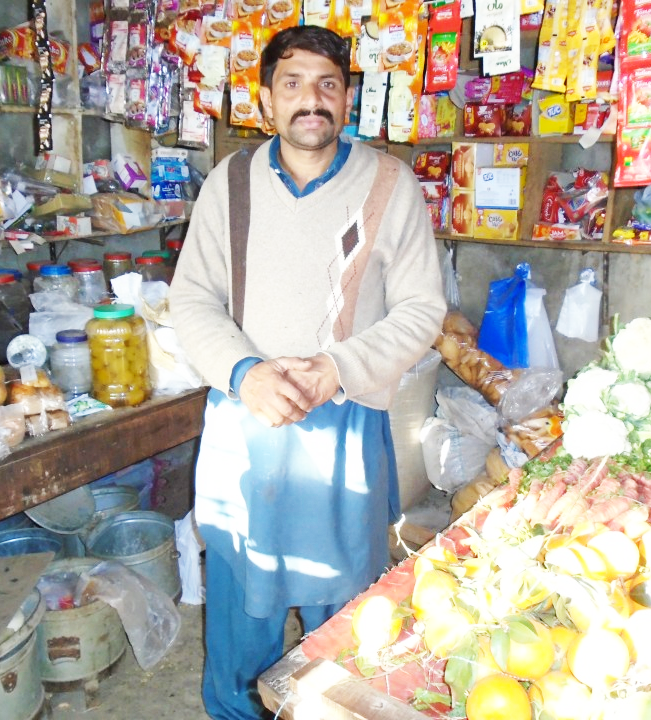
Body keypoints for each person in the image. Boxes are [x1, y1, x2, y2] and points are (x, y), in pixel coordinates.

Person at [169, 25, 446, 720]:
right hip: (245, 423)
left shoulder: (390, 183)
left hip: (344, 427)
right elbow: (192, 300)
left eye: (326, 84)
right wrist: (244, 373)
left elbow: (422, 310)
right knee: (241, 604)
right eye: (291, 85)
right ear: (265, 102)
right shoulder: (228, 183)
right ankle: (235, 710)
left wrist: (336, 368)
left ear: (347, 97)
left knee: (345, 613)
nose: (309, 101)